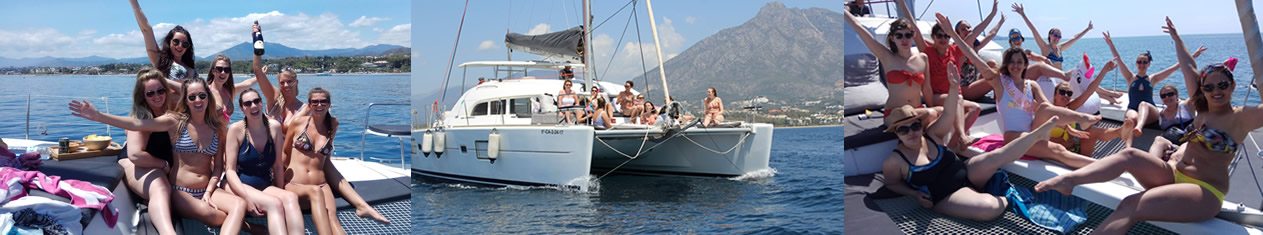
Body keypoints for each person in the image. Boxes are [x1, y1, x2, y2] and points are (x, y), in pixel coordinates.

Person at [1035, 17, 1254, 234]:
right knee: (1129, 156)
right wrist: (1177, 39)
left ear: (1233, 86)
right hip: (1173, 173)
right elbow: (1189, 67)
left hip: (1205, 190)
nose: (1216, 91)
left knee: (1131, 206)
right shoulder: (1202, 108)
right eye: (1209, 86)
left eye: (1223, 85)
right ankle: (1071, 180)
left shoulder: (1241, 118)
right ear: (1202, 89)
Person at [69, 77, 263, 235]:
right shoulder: (174, 121)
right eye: (192, 96)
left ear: (208, 98)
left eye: (202, 95)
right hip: (180, 191)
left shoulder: (218, 128)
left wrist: (209, 192)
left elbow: (218, 168)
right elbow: (137, 125)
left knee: (239, 204)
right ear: (185, 100)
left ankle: (247, 227)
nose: (197, 101)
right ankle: (249, 228)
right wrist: (99, 116)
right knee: (214, 215)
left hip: (206, 188)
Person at [882, 61, 1061, 221]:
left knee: (998, 155)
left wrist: (954, 88)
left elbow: (949, 113)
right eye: (903, 130)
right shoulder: (895, 161)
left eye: (914, 126)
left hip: (966, 172)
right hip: (946, 196)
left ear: (920, 126)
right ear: (897, 133)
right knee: (990, 208)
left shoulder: (932, 134)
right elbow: (892, 183)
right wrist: (914, 194)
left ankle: (1036, 135)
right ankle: (1008, 196)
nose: (911, 132)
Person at [936, 14, 1102, 169]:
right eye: (1012, 62)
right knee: (1058, 149)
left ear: (1025, 65)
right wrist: (951, 32)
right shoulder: (1000, 82)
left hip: (1033, 131)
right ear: (1007, 65)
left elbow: (1048, 110)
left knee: (1044, 107)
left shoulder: (1032, 85)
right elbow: (972, 55)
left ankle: (1085, 126)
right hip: (1014, 137)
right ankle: (1100, 163)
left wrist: (1068, 127)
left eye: (1019, 62)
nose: (1015, 65)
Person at [281, 88, 386, 234]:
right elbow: (285, 154)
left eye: (323, 101)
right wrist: (278, 182)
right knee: (316, 194)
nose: (319, 105)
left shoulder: (333, 124)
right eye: (315, 102)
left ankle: (363, 207)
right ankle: (362, 206)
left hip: (321, 184)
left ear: (329, 104)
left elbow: (325, 158)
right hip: (295, 184)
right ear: (309, 105)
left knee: (333, 220)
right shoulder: (298, 123)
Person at [844, 0, 942, 123]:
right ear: (892, 38)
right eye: (899, 36)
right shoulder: (886, 57)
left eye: (908, 35)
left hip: (918, 109)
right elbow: (859, 28)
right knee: (929, 114)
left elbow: (927, 89)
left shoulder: (923, 58)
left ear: (913, 35)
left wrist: (931, 106)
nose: (904, 39)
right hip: (895, 114)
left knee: (943, 112)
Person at [223, 89, 303, 235]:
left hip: (263, 184)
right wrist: (245, 197)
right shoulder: (236, 130)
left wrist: (280, 191)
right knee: (275, 204)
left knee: (291, 198)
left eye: (256, 101)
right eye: (248, 103)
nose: (253, 106)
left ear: (261, 103)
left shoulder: (274, 128)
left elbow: (278, 165)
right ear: (242, 108)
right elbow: (230, 170)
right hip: (238, 184)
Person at [1103, 31, 1207, 144]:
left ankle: (1140, 127)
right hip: (1133, 110)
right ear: (1136, 63)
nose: (1141, 64)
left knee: (1143, 104)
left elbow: (1175, 67)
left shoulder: (1153, 78)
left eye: (1144, 62)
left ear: (1149, 64)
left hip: (1150, 112)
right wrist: (1110, 44)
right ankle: (1128, 148)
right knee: (1131, 119)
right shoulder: (1130, 77)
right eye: (1139, 62)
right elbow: (1118, 59)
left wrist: (1193, 56)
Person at [116, 68, 180, 235]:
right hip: (138, 161)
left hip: (159, 159)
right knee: (160, 186)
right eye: (150, 93)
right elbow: (135, 154)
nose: (157, 96)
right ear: (142, 96)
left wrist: (167, 82)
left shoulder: (171, 105)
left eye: (160, 90)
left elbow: (193, 92)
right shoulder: (141, 115)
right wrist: (164, 165)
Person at [130, 0, 194, 89]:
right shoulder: (160, 60)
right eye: (176, 41)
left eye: (185, 44)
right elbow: (147, 30)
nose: (180, 46)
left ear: (188, 47)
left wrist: (162, 79)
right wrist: (134, 3)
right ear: (169, 42)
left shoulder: (190, 68)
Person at [207, 54, 259, 121]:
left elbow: (247, 83)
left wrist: (260, 74)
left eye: (227, 70)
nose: (223, 72)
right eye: (219, 69)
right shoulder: (206, 92)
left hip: (226, 131)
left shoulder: (229, 91)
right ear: (213, 71)